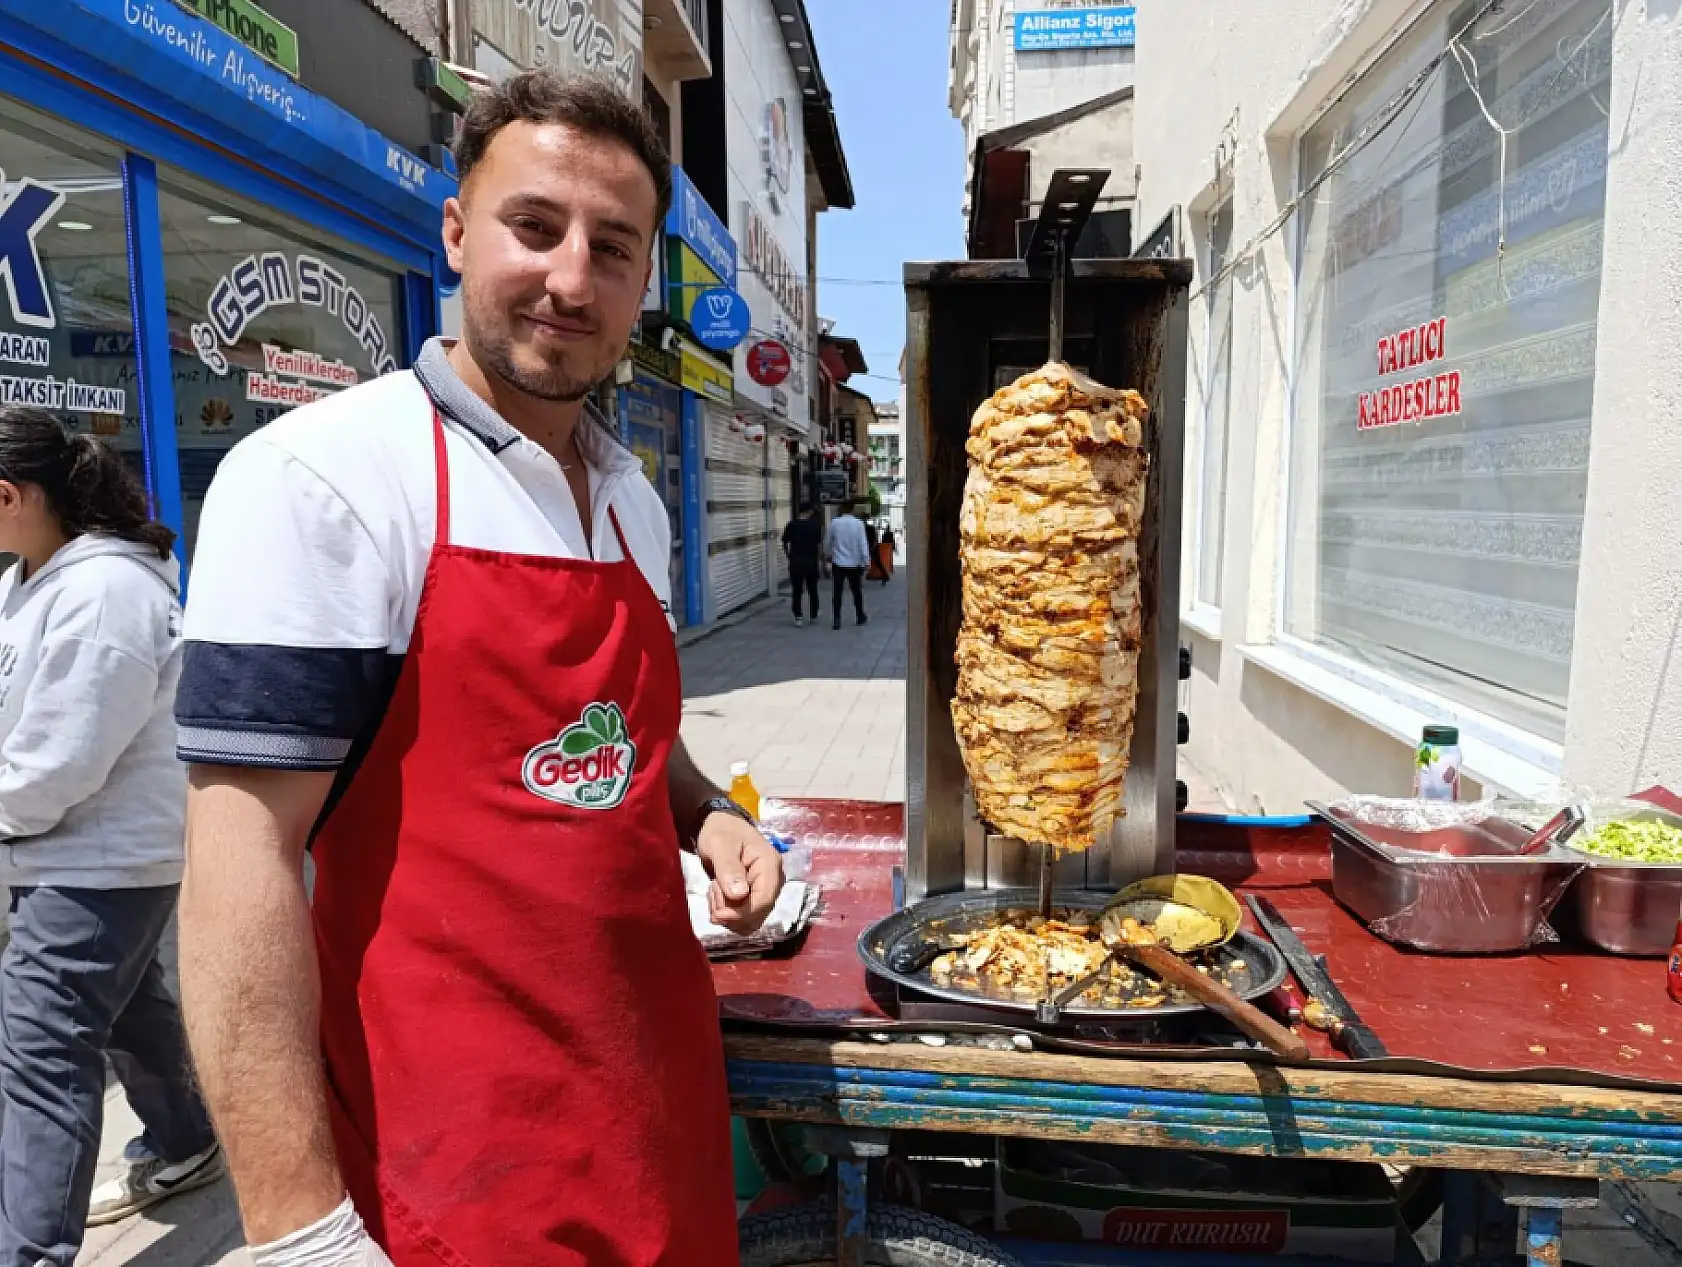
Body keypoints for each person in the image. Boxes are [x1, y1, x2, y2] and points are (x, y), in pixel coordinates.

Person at [174, 72, 781, 1267]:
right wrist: (297, 1228)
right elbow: (237, 860)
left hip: (651, 1111)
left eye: (612, 246)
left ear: (644, 278)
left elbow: (609, 733)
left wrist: (705, 813)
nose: (570, 278)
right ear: (456, 230)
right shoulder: (328, 477)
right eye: (534, 226)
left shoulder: (628, 498)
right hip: (451, 1161)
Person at [0, 409, 223, 1267]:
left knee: (43, 1056)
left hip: (91, 860)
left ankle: (26, 1251)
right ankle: (186, 1138)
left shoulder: (104, 593)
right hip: (76, 852)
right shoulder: (34, 575)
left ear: (12, 494)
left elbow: (60, 766)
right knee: (131, 1010)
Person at [827, 500, 871, 629]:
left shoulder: (834, 523)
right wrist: (866, 560)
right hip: (854, 563)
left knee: (837, 592)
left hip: (838, 563)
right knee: (856, 591)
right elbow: (863, 543)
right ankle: (860, 615)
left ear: (841, 508)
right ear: (853, 509)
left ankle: (836, 620)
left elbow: (828, 541)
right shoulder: (858, 524)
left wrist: (827, 555)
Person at [781, 503, 822, 626]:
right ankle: (814, 614)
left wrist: (789, 556)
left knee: (797, 590)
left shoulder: (791, 525)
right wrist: (819, 560)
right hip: (811, 561)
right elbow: (818, 546)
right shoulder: (815, 526)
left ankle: (798, 616)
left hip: (796, 562)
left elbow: (785, 542)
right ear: (809, 511)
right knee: (812, 589)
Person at [864, 517, 885, 582]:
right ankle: (884, 575)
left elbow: (875, 538)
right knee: (877, 562)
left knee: (875, 562)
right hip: (872, 547)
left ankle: (883, 575)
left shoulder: (865, 529)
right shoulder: (870, 528)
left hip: (869, 547)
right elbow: (876, 538)